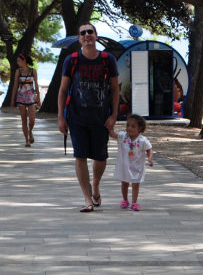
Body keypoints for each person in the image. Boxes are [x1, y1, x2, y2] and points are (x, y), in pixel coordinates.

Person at [58, 23, 119, 212]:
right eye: (83, 33)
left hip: (101, 118)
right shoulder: (72, 60)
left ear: (96, 35)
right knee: (80, 156)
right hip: (77, 118)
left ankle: (96, 185)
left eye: (90, 32)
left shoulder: (108, 59)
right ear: (79, 38)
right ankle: (87, 198)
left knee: (101, 158)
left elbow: (115, 89)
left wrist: (114, 114)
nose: (87, 35)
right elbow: (62, 90)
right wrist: (61, 117)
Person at [109, 114, 153, 211]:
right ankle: (125, 200)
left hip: (137, 167)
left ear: (139, 128)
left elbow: (149, 149)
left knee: (135, 184)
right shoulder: (122, 136)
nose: (129, 128)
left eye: (133, 126)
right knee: (124, 183)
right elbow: (113, 135)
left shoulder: (142, 140)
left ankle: (134, 203)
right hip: (124, 166)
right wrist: (109, 128)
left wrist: (150, 158)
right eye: (128, 125)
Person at [12, 54, 41, 147]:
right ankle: (27, 140)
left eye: (19, 60)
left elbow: (36, 84)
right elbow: (15, 85)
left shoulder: (33, 71)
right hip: (21, 97)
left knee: (32, 120)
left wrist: (38, 99)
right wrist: (13, 99)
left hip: (31, 97)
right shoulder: (18, 72)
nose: (17, 63)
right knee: (23, 119)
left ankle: (30, 131)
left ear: (24, 60)